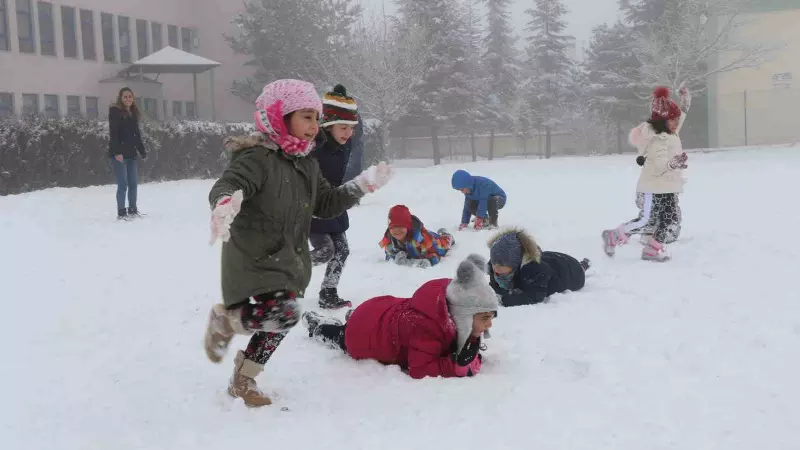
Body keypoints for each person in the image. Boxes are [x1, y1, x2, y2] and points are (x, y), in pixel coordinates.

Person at [202, 79, 392, 407]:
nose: (314, 126)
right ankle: (226, 321)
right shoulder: (256, 157)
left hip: (287, 258)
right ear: (279, 115)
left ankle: (242, 380)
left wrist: (360, 185)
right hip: (255, 257)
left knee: (279, 321)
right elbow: (231, 183)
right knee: (285, 314)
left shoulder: (306, 163)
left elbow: (325, 204)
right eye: (306, 116)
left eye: (316, 118)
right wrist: (224, 204)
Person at [301, 254, 498, 379]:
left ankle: (353, 318)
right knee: (342, 336)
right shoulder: (427, 327)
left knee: (365, 322)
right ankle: (319, 326)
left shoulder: (451, 300)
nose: (489, 324)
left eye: (490, 317)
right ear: (463, 316)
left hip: (380, 310)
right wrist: (452, 367)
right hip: (365, 335)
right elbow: (419, 369)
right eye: (484, 318)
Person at [602, 86, 691, 261]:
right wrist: (673, 163)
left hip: (668, 187)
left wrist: (685, 103)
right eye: (673, 120)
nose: (676, 122)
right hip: (653, 187)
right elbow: (658, 166)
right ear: (663, 121)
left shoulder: (671, 132)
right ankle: (613, 235)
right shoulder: (656, 140)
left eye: (676, 120)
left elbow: (680, 117)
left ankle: (652, 249)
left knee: (670, 220)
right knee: (646, 220)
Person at [309, 85, 363, 309]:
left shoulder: (346, 142)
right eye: (343, 128)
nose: (347, 133)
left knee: (342, 249)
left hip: (335, 203)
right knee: (325, 251)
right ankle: (288, 270)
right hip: (313, 207)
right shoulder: (314, 146)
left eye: (351, 128)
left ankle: (328, 292)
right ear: (328, 125)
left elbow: (356, 129)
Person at [488, 228, 590, 307]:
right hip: (551, 259)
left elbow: (534, 296)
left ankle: (583, 265)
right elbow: (494, 286)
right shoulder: (494, 266)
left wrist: (503, 300)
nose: (496, 269)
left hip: (571, 271)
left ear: (516, 263)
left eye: (502, 265)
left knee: (578, 270)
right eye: (494, 263)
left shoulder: (533, 270)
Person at [108, 87, 147, 220]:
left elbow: (136, 134)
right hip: (119, 155)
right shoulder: (115, 112)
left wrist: (141, 150)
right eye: (125, 97)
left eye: (130, 96)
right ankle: (121, 212)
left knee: (133, 184)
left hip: (131, 154)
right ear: (120, 98)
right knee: (123, 184)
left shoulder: (133, 113)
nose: (128, 99)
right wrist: (117, 152)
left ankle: (133, 209)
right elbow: (114, 133)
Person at [379, 205, 455, 269]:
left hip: (432, 242)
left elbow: (435, 256)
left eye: (400, 227)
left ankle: (446, 235)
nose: (396, 231)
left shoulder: (421, 239)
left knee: (443, 246)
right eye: (392, 227)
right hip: (419, 238)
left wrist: (427, 261)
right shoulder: (389, 239)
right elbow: (388, 255)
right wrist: (395, 258)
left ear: (408, 227)